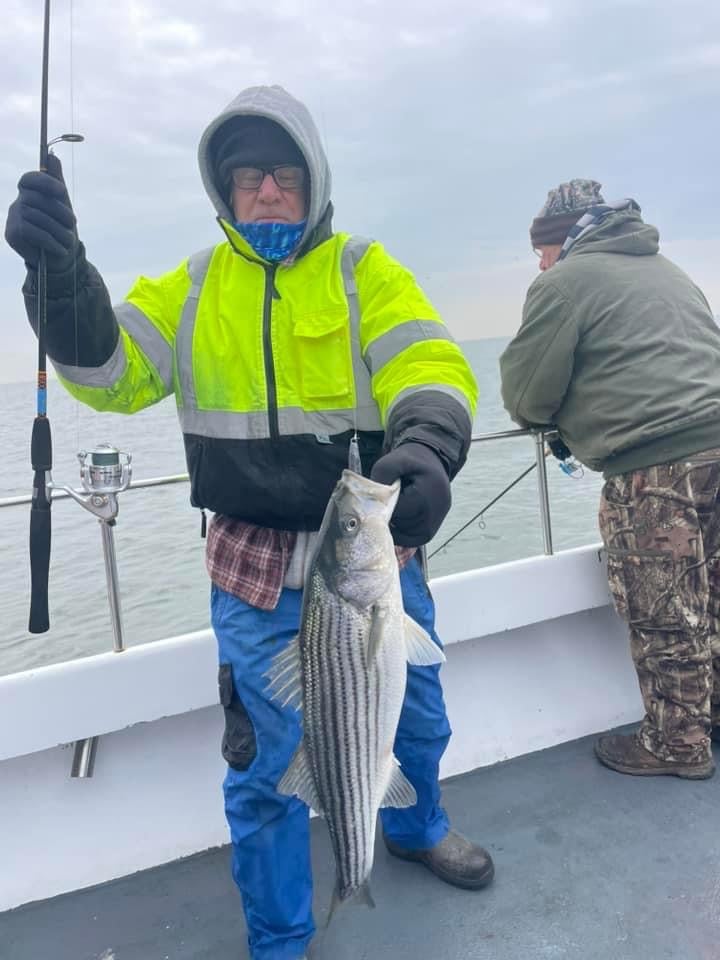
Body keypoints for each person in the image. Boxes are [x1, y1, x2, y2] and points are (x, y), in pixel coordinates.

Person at [6, 85, 493, 959]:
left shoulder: (362, 269)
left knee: (414, 716)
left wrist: (426, 444)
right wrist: (59, 277)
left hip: (370, 551)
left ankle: (417, 828)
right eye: (245, 179)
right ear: (223, 194)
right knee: (265, 764)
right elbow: (107, 372)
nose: (266, 191)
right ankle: (281, 936)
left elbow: (428, 358)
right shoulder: (193, 286)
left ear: (312, 180)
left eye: (282, 174)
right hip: (252, 565)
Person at [499, 177, 720, 782]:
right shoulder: (667, 270)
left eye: (540, 250)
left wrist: (557, 417)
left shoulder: (563, 282)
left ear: (559, 241)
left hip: (655, 469)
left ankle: (678, 744)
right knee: (714, 595)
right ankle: (710, 714)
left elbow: (526, 394)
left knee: (664, 611)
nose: (539, 262)